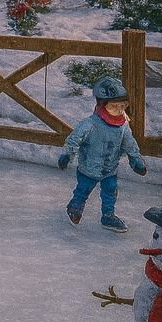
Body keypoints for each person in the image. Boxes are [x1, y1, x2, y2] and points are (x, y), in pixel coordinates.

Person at [58, 77, 147, 232]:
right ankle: (75, 207)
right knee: (83, 189)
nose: (119, 110)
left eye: (122, 106)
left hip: (109, 169)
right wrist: (67, 155)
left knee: (110, 192)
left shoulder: (123, 126)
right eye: (114, 106)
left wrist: (136, 160)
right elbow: (74, 140)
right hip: (89, 168)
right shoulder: (90, 124)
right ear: (101, 104)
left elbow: (130, 144)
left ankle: (108, 216)